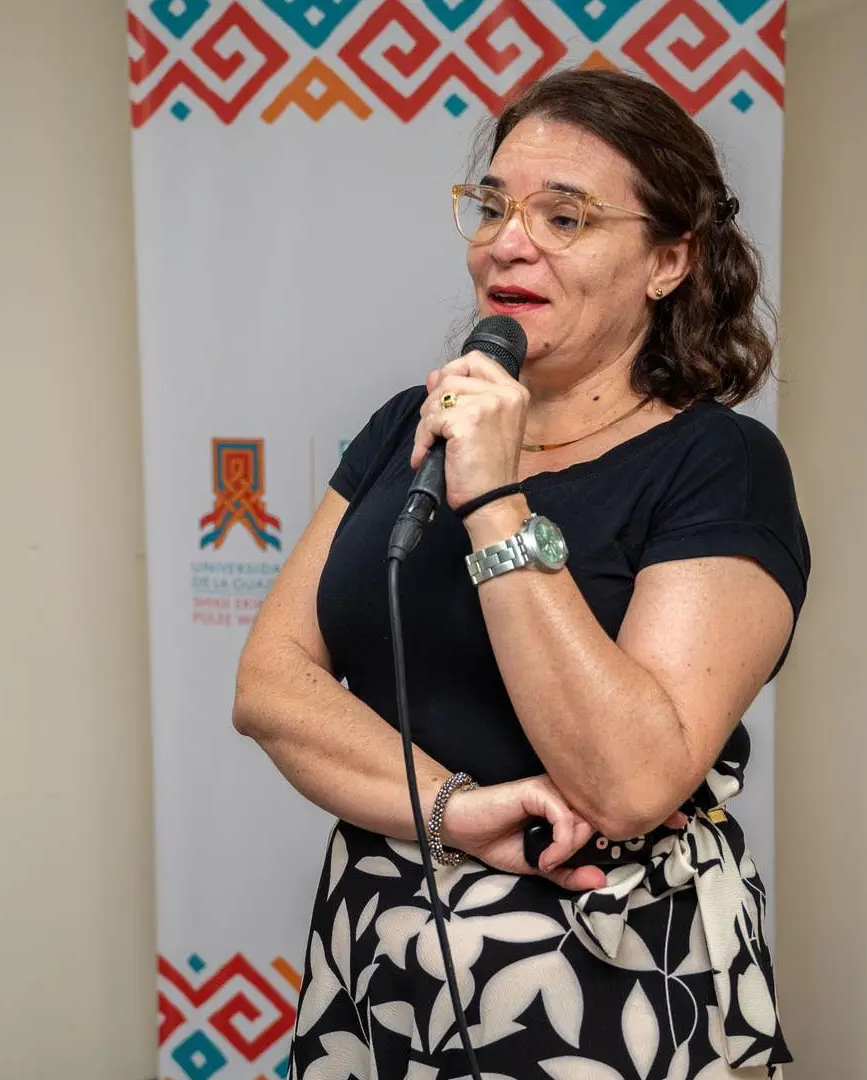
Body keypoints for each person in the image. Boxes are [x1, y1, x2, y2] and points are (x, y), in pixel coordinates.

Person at [232, 68, 809, 1079]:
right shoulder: (404, 428)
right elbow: (271, 685)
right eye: (494, 205)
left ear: (669, 259)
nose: (509, 239)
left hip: (609, 968)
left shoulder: (718, 466)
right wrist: (456, 809)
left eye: (566, 216)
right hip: (384, 956)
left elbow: (628, 784)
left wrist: (496, 499)